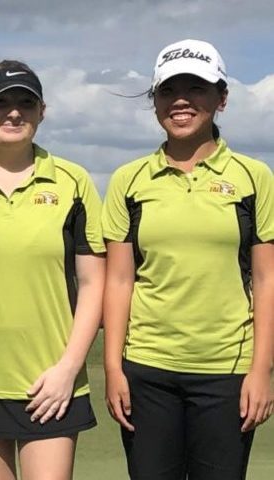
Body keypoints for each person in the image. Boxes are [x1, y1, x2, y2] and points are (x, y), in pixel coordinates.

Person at [103, 39, 274, 479]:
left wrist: (261, 371)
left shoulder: (254, 179)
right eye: (168, 90)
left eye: (196, 88)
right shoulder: (129, 180)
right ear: (156, 101)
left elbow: (266, 279)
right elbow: (119, 280)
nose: (181, 101)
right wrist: (113, 367)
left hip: (227, 372)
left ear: (221, 99)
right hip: (147, 369)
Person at [0, 60, 105, 480]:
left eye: (25, 102)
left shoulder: (73, 181)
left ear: (41, 111)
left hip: (53, 381)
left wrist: (69, 369)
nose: (13, 113)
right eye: (0, 103)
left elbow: (93, 284)